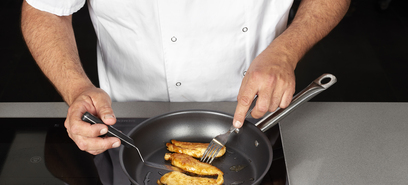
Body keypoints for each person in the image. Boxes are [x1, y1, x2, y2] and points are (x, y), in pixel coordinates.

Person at [21, 0, 350, 155]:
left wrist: (285, 52)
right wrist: (77, 88)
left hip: (258, 114)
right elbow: (44, 9)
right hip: (126, 124)